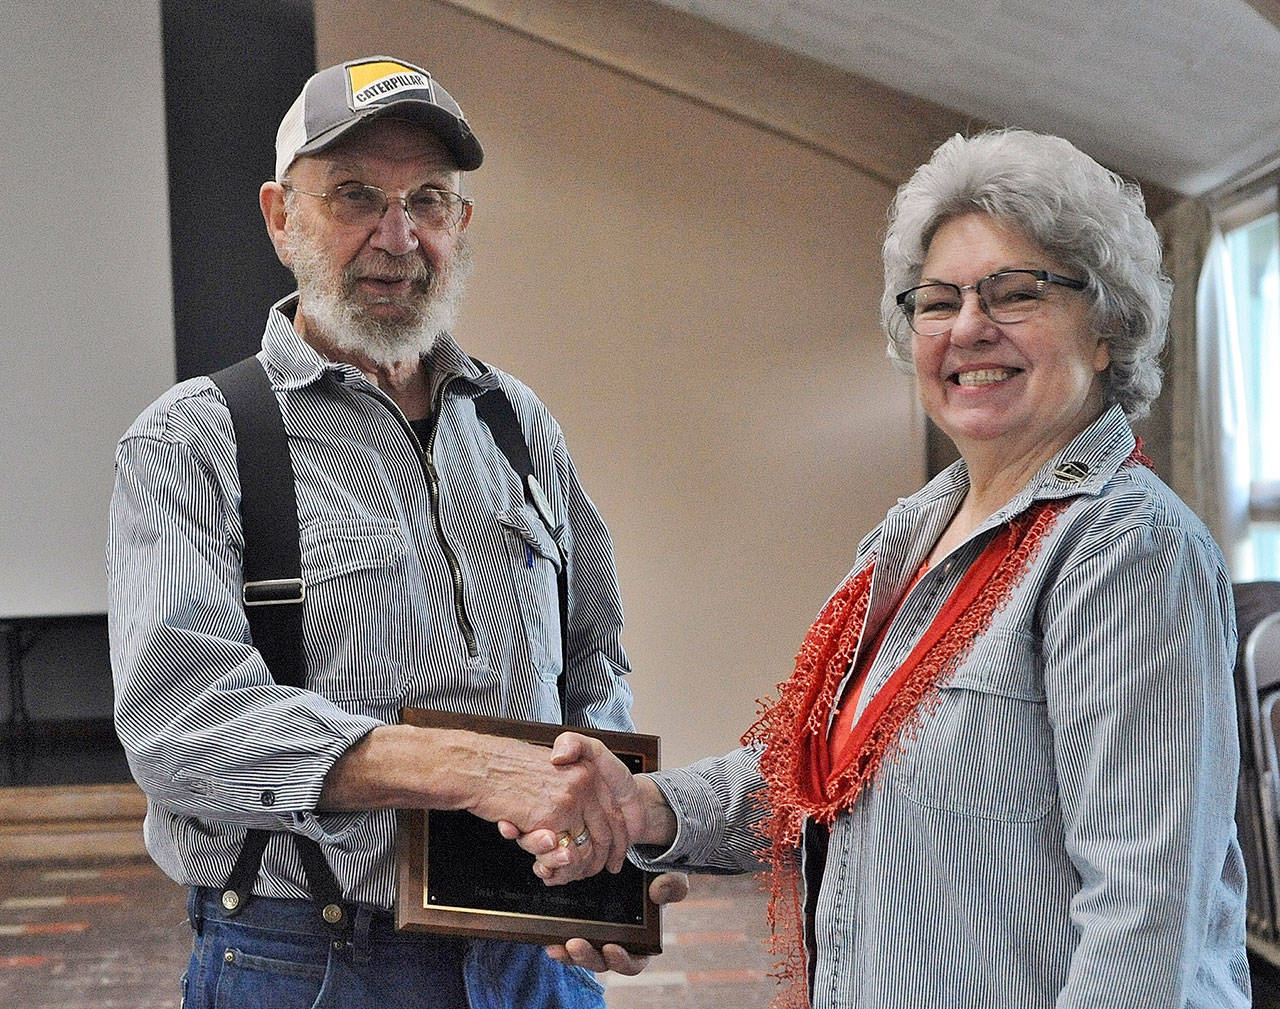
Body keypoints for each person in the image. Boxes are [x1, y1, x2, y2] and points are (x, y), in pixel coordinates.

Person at [523, 129, 1249, 1007]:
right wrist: (648, 805)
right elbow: (814, 768)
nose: (970, 326)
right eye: (938, 301)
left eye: (1016, 292)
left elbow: (1145, 920)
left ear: (1107, 327)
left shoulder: (1126, 549)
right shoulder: (910, 535)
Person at [107, 55, 673, 1009]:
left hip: (535, 955)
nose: (396, 235)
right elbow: (179, 722)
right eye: (355, 196)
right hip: (313, 961)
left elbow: (593, 659)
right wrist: (467, 771)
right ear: (281, 218)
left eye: (430, 200)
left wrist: (600, 846)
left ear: (461, 224)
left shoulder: (515, 419)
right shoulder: (193, 438)